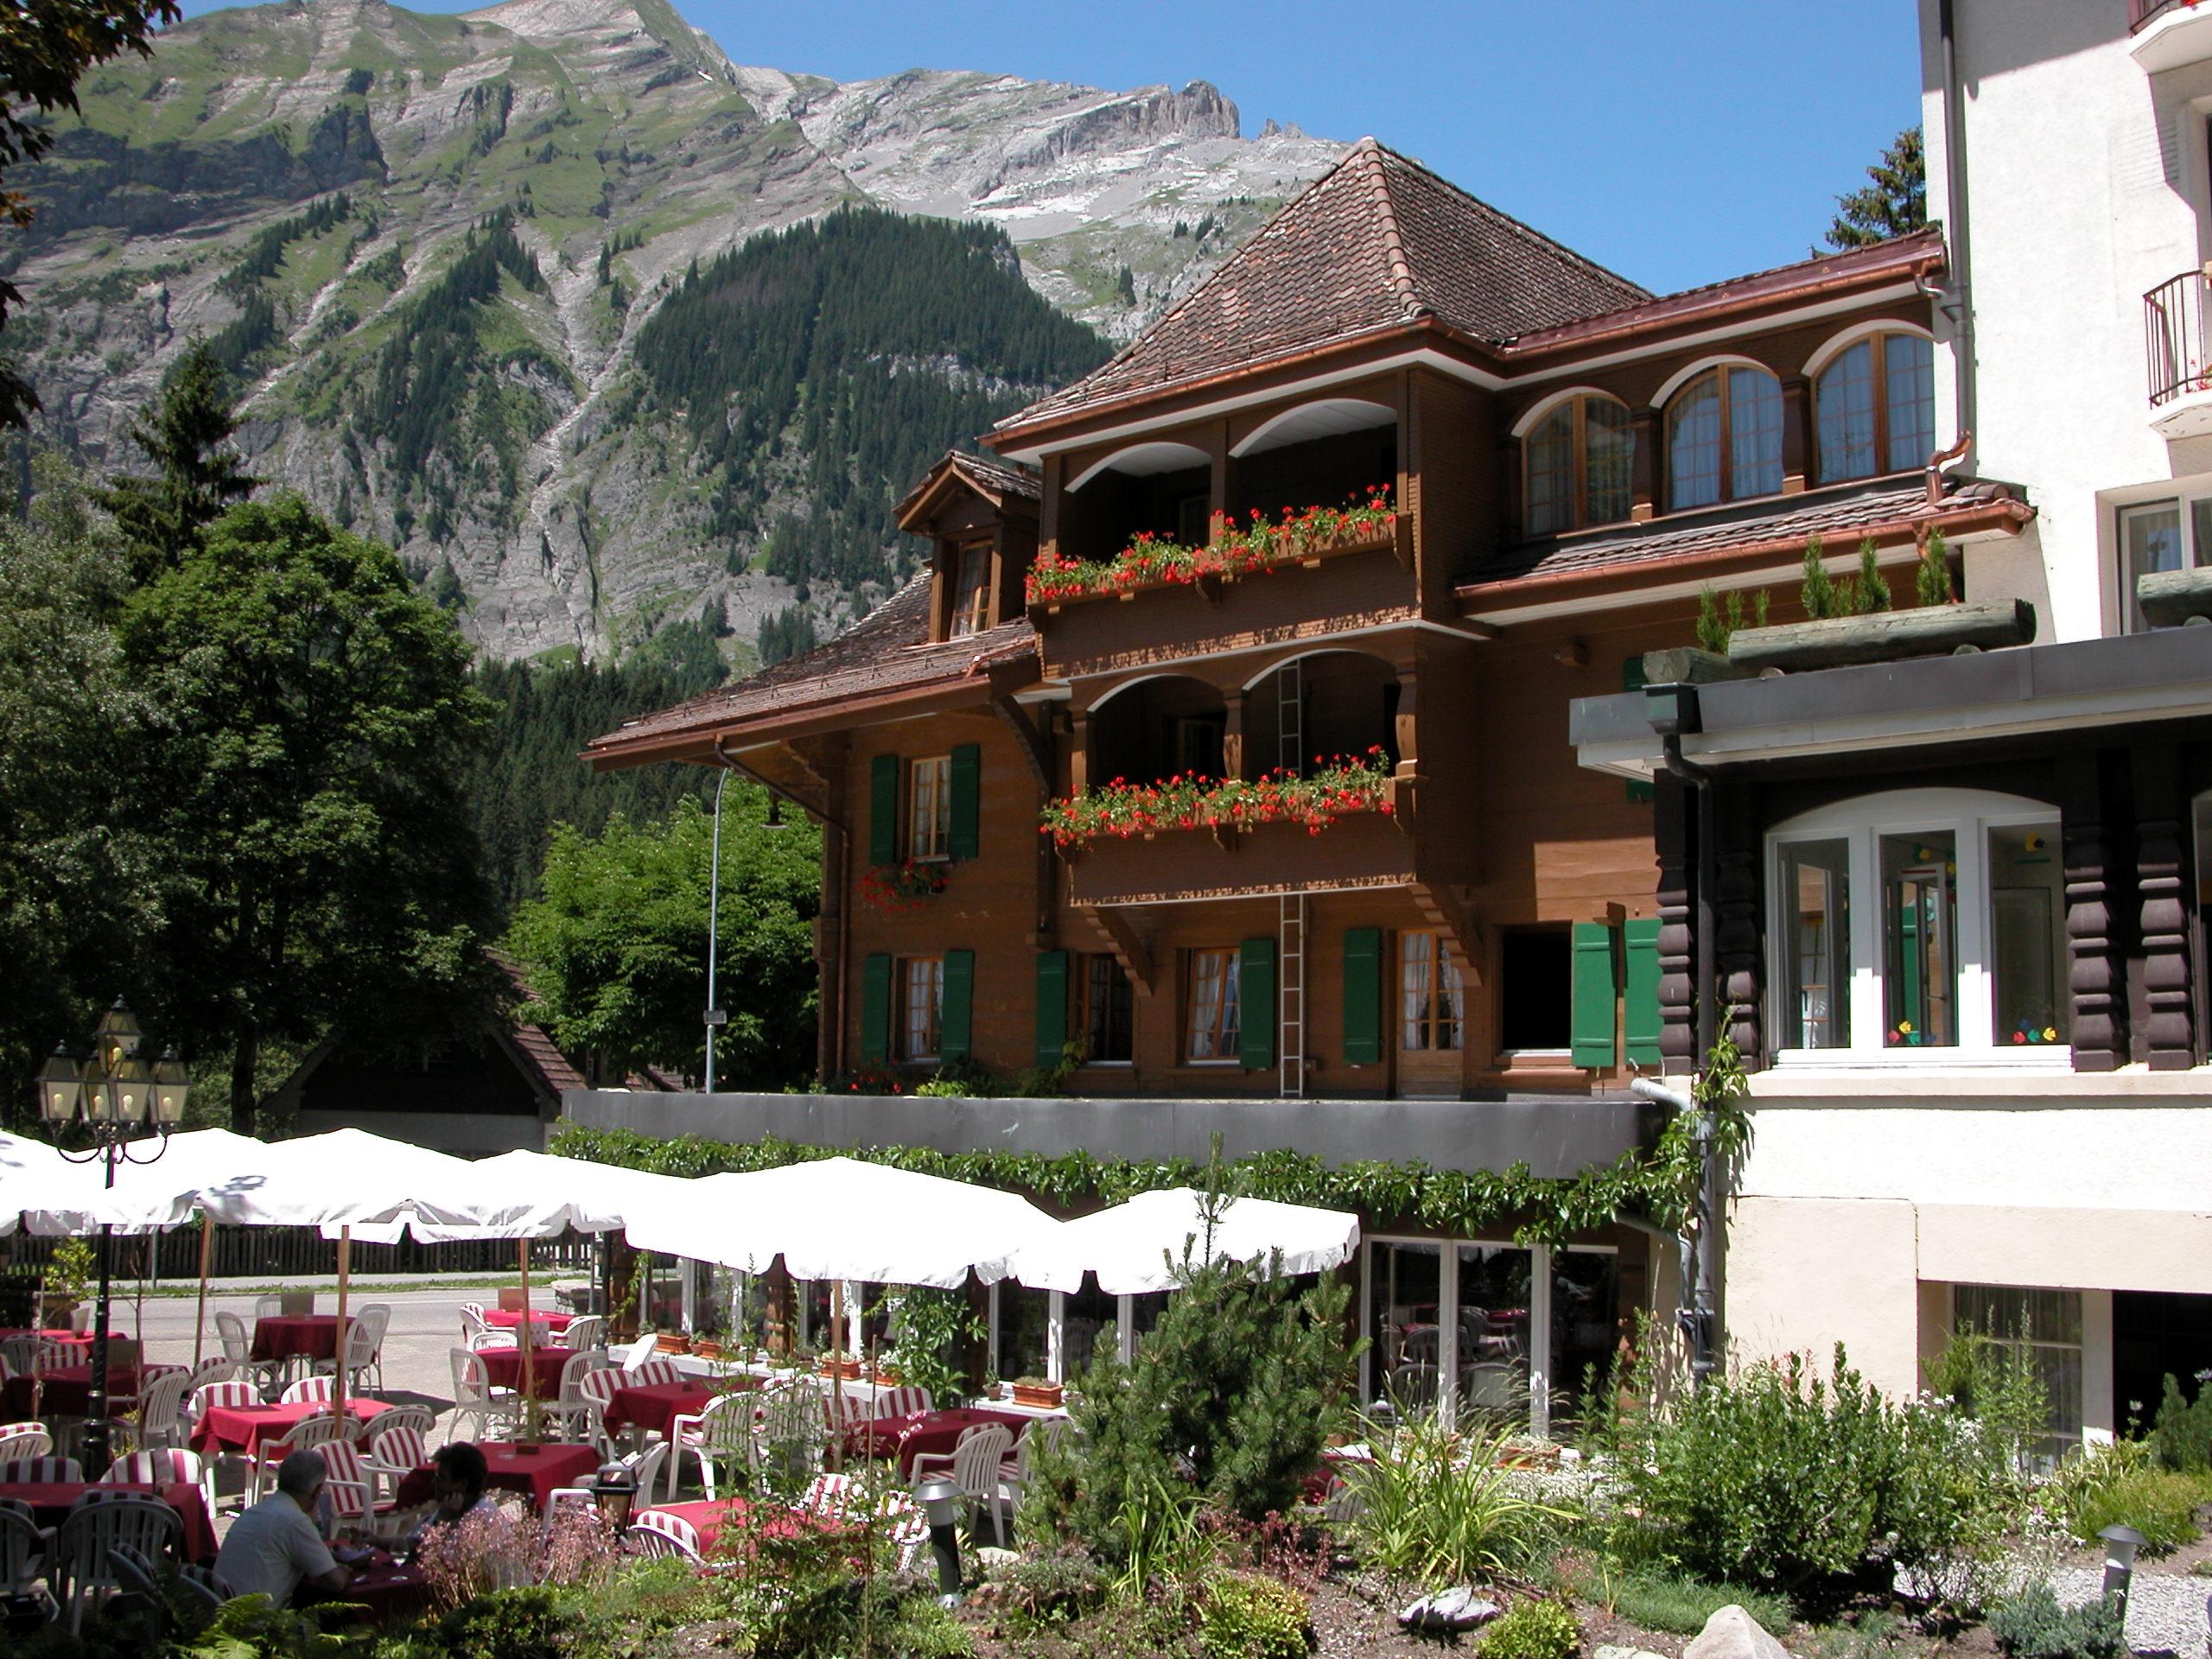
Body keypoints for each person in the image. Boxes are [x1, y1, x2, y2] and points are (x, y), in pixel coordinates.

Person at [213, 1449, 353, 1608]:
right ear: (317, 1490)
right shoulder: (295, 1520)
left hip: (222, 1611)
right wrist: (345, 1571)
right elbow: (335, 1582)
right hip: (256, 1622)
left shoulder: (254, 1511)